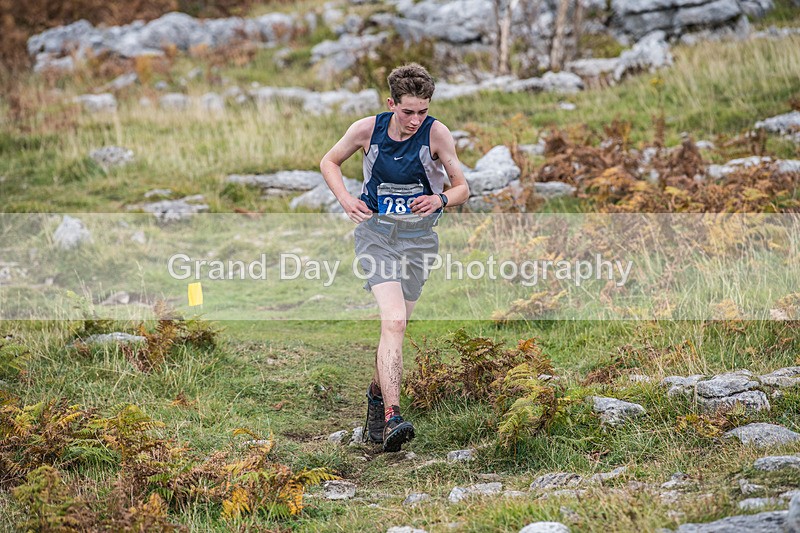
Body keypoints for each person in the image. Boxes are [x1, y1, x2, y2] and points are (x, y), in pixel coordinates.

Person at [319, 63, 470, 452]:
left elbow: (463, 188)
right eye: (408, 112)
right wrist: (346, 199)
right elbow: (329, 161)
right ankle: (392, 417)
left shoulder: (438, 134)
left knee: (395, 332)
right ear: (392, 104)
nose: (416, 119)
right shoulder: (366, 130)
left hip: (419, 241)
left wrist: (439, 199)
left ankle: (375, 396)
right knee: (395, 320)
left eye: (423, 110)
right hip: (377, 235)